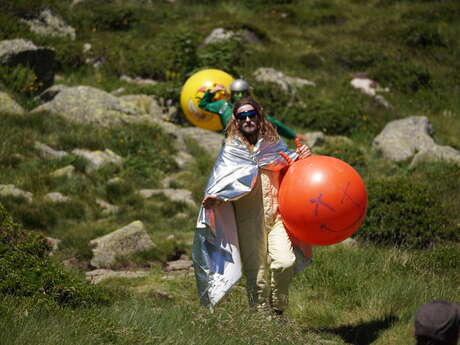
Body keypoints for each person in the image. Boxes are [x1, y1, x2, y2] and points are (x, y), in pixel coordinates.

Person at [192, 96, 312, 315]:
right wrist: (215, 198)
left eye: (251, 115)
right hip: (248, 222)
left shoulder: (273, 145)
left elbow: (291, 168)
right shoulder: (232, 151)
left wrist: (303, 159)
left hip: (277, 219)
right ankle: (262, 325)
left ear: (259, 116)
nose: (247, 119)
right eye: (242, 116)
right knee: (257, 278)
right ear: (236, 121)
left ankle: (278, 308)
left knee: (284, 263)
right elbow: (224, 182)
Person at [198, 78, 308, 142]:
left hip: (241, 148)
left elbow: (273, 123)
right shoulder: (226, 106)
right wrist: (293, 135)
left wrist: (293, 135)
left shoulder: (224, 105)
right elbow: (274, 122)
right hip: (234, 147)